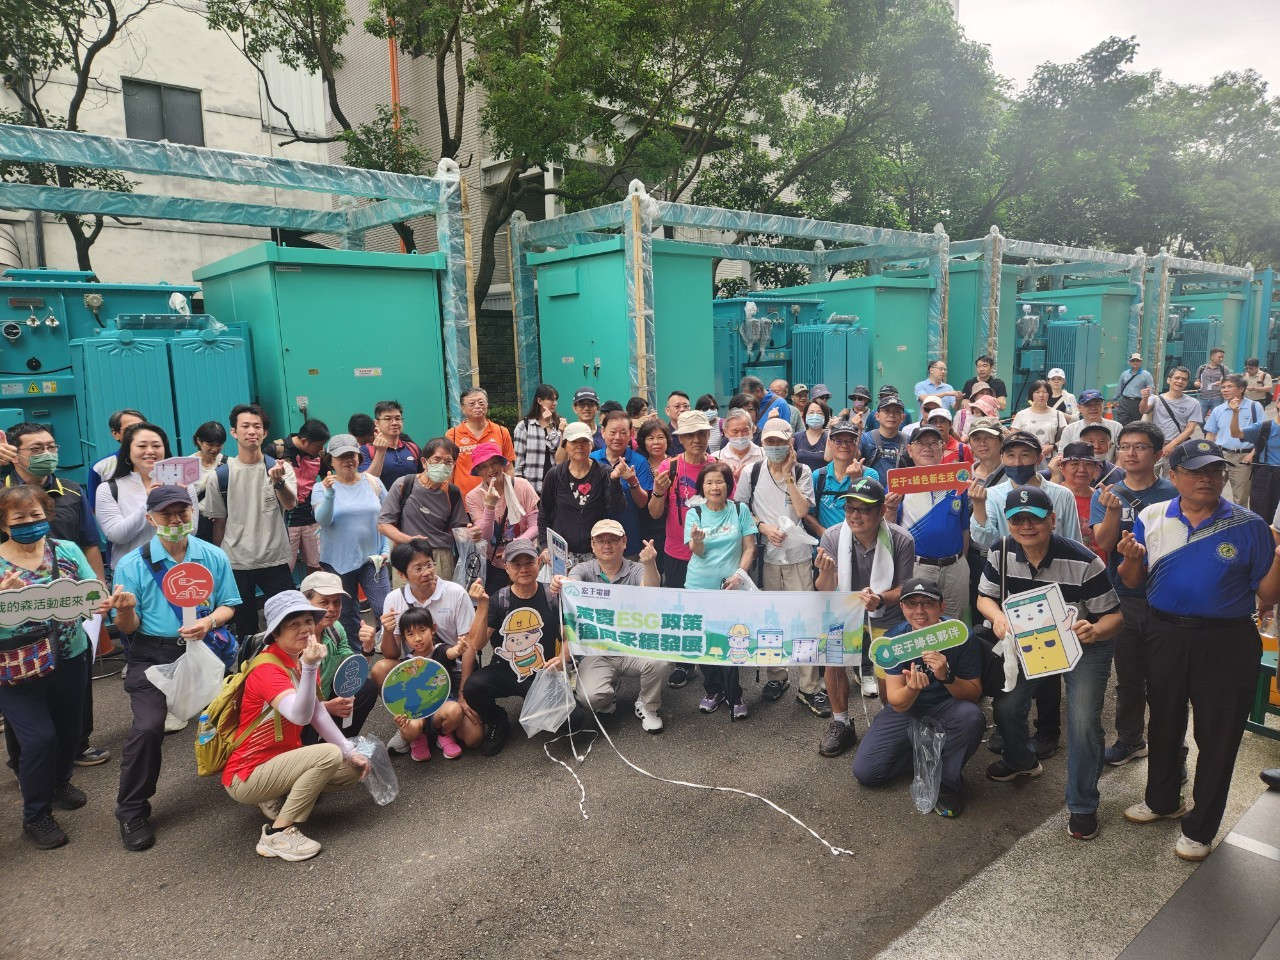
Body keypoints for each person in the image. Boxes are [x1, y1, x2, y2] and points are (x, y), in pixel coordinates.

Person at [1116, 439, 1280, 861]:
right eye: (1195, 471)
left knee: (1218, 734)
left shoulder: (1249, 525)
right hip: (1164, 633)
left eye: (1214, 471)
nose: (1206, 478)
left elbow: (1268, 594)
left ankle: (1201, 827)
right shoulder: (1152, 516)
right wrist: (1130, 559)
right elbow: (1133, 580)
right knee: (1164, 721)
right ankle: (1162, 800)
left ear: (1224, 476)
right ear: (1173, 477)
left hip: (1226, 641)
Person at [979, 485, 1122, 841]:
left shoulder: (1084, 560)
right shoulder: (1000, 550)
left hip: (1084, 645)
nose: (1026, 526)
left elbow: (1115, 617)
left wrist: (1095, 630)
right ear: (1008, 523)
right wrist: (997, 617)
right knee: (1007, 704)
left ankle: (1083, 805)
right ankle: (1021, 761)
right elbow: (984, 597)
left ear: (1053, 520)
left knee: (1083, 721)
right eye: (1018, 520)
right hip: (1029, 640)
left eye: (1035, 519)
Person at [110, 485, 240, 852]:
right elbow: (128, 627)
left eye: (182, 511)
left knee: (237, 709)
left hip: (205, 649)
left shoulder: (212, 555)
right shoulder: (131, 564)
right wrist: (124, 610)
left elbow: (229, 604)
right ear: (150, 519)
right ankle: (132, 811)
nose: (176, 519)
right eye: (166, 513)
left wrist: (209, 622)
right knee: (148, 727)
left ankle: (252, 778)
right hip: (153, 654)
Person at [221, 591, 371, 862]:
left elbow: (317, 712)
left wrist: (350, 751)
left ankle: (282, 793)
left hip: (281, 758)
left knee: (351, 768)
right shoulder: (268, 668)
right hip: (248, 773)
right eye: (294, 624)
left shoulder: (297, 659)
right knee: (328, 755)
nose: (305, 629)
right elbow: (300, 716)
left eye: (308, 621)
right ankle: (279, 834)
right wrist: (311, 666)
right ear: (275, 633)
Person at [0, 485, 110, 849]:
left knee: (68, 730)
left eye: (36, 515)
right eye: (19, 518)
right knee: (38, 738)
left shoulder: (66, 550)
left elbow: (90, 591)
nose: (29, 523)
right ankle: (36, 814)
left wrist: (101, 602)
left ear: (47, 515)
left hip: (69, 655)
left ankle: (60, 781)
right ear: (4, 523)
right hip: (15, 668)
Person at [0, 423, 108, 770]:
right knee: (26, 692)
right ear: (14, 453)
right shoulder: (2, 490)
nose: (46, 454)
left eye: (51, 446)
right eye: (36, 449)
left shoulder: (72, 491)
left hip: (68, 607)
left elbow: (89, 543)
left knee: (75, 681)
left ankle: (77, 746)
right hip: (17, 614)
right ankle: (26, 761)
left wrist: (98, 592)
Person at [850, 577, 985, 817]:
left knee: (971, 717)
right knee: (867, 772)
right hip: (909, 709)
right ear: (902, 607)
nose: (919, 611)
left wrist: (946, 676)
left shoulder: (959, 635)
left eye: (928, 604)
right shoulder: (894, 641)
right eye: (911, 604)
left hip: (949, 706)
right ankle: (926, 752)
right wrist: (912, 689)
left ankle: (946, 783)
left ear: (942, 607)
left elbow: (974, 694)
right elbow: (896, 702)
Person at [1090, 421, 1178, 768]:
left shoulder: (1174, 492)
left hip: (1168, 597)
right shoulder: (1107, 493)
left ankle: (1172, 753)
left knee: (1167, 682)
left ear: (1157, 455)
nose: (1130, 453)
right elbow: (1105, 543)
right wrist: (1113, 510)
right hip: (1125, 595)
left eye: (1140, 447)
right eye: (1125, 446)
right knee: (1128, 678)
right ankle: (1130, 740)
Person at [813, 478, 915, 753]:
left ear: (882, 510)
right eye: (850, 508)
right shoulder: (832, 536)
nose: (855, 516)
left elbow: (903, 590)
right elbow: (825, 589)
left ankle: (891, 723)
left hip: (887, 613)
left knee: (888, 674)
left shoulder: (901, 539)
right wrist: (825, 572)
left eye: (864, 509)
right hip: (843, 610)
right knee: (833, 661)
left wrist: (879, 598)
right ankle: (841, 723)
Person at [733, 420, 822, 714]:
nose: (774, 448)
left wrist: (789, 478)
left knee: (804, 620)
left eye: (779, 443)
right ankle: (776, 676)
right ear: (763, 444)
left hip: (798, 556)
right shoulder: (752, 471)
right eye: (769, 443)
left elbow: (802, 510)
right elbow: (741, 508)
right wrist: (762, 527)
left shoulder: (802, 471)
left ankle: (809, 686)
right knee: (770, 620)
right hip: (767, 557)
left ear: (790, 443)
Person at [374, 537, 488, 756]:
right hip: (415, 672)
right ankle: (409, 723)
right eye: (418, 568)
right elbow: (391, 654)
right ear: (402, 575)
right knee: (380, 669)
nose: (427, 572)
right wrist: (388, 631)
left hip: (452, 669)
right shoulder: (394, 599)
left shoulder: (455, 592)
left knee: (473, 738)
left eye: (429, 564)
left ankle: (438, 729)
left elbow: (469, 646)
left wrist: (463, 694)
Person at [550, 520, 668, 732]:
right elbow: (572, 585)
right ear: (592, 545)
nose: (607, 545)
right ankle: (608, 693)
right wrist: (561, 582)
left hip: (633, 645)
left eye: (613, 540)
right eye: (601, 541)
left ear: (624, 542)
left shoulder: (636, 569)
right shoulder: (582, 569)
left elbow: (651, 589)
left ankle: (648, 705)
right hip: (597, 650)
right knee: (590, 697)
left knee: (661, 660)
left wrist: (650, 563)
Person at [202, 404, 298, 645]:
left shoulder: (280, 468)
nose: (252, 431)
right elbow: (219, 522)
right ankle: (249, 667)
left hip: (274, 559)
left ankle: (286, 665)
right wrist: (219, 562)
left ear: (265, 432)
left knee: (288, 620)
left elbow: (290, 504)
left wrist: (278, 483)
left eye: (257, 426)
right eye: (245, 426)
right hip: (236, 562)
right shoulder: (220, 476)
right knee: (245, 629)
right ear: (234, 432)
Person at [461, 538, 567, 756]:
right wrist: (482, 606)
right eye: (516, 564)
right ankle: (497, 720)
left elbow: (570, 636)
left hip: (544, 672)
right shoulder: (499, 600)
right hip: (506, 671)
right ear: (506, 568)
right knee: (474, 686)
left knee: (573, 721)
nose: (524, 569)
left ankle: (537, 703)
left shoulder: (553, 596)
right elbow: (477, 643)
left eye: (529, 563)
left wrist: (562, 658)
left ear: (539, 563)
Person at [686, 462, 757, 720]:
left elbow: (749, 546)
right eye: (709, 483)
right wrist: (697, 540)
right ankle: (713, 690)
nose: (714, 487)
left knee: (732, 639)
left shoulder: (739, 509)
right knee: (705, 640)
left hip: (731, 587)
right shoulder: (694, 513)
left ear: (728, 485)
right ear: (702, 487)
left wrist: (740, 574)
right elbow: (697, 551)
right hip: (699, 586)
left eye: (719, 482)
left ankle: (734, 694)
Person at [312, 433, 389, 649]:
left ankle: (390, 652)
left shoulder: (373, 482)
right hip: (336, 561)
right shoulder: (321, 488)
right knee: (346, 614)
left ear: (359, 457)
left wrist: (387, 549)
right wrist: (329, 494)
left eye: (352, 455)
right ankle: (354, 657)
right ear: (331, 461)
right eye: (341, 456)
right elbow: (323, 520)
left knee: (384, 609)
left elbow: (387, 518)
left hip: (373, 559)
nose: (348, 460)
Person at [889, 423, 970, 625]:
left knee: (953, 624)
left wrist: (962, 563)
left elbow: (964, 528)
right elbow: (889, 531)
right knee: (919, 623)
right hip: (918, 568)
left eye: (934, 443)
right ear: (910, 450)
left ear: (942, 449)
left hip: (955, 568)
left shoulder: (957, 481)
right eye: (921, 443)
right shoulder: (899, 483)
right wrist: (890, 508)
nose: (928, 448)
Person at [386, 606, 481, 761]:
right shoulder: (407, 664)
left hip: (440, 706)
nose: (417, 638)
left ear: (433, 629)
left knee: (455, 710)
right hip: (417, 710)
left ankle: (443, 735)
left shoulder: (440, 650)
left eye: (422, 631)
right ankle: (418, 738)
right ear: (404, 638)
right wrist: (402, 721)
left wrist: (458, 649)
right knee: (408, 728)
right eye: (410, 634)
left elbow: (450, 653)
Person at [298, 571, 379, 742]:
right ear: (305, 602)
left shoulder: (335, 629)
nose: (332, 609)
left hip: (322, 699)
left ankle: (341, 745)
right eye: (324, 602)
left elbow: (351, 671)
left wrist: (367, 648)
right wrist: (325, 708)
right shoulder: (294, 639)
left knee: (366, 688)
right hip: (296, 712)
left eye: (337, 602)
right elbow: (287, 700)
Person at [649, 411, 718, 608]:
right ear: (680, 438)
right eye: (689, 435)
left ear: (708, 435)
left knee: (711, 608)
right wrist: (658, 491)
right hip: (677, 553)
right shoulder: (669, 467)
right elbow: (655, 513)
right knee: (678, 608)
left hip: (712, 554)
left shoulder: (718, 467)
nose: (696, 439)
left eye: (701, 433)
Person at [377, 437, 469, 580]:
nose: (442, 465)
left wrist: (470, 533)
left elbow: (459, 529)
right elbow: (383, 524)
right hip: (407, 554)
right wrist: (409, 540)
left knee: (441, 594)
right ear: (424, 462)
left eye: (448, 461)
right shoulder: (403, 484)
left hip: (440, 558)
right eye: (437, 459)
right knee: (406, 594)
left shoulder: (452, 493)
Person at [96, 422, 183, 570]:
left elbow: (191, 530)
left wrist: (180, 500)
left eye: (156, 446)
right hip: (130, 571)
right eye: (142, 446)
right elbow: (117, 536)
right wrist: (149, 503)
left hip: (177, 567)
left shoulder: (181, 483)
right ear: (128, 451)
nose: (150, 451)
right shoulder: (108, 489)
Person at [539, 422, 626, 569]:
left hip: (596, 553)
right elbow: (544, 514)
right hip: (561, 553)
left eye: (584, 441)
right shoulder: (555, 474)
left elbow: (617, 509)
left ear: (591, 445)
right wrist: (544, 546)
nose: (579, 446)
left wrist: (615, 480)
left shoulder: (604, 472)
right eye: (574, 442)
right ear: (565, 445)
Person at [465, 441, 539, 594]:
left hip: (525, 558)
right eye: (484, 466)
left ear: (502, 464)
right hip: (494, 562)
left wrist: (514, 547)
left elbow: (535, 525)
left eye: (494, 463)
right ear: (478, 471)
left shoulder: (522, 485)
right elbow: (484, 536)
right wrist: (489, 507)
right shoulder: (473, 497)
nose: (491, 470)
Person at [804, 416, 879, 541]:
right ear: (829, 443)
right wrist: (826, 534)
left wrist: (857, 480)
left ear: (856, 444)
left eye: (850, 441)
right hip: (827, 547)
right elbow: (807, 514)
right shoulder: (819, 476)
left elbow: (871, 513)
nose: (844, 445)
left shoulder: (869, 475)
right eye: (838, 441)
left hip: (859, 545)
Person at [270, 419, 329, 577]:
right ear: (304, 441)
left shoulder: (319, 454)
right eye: (318, 445)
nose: (321, 449)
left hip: (311, 517)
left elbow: (326, 477)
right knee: (285, 567)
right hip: (285, 518)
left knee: (318, 564)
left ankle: (315, 592)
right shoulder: (276, 450)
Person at [593, 410, 653, 558]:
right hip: (596, 540)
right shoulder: (592, 460)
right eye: (613, 432)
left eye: (623, 432)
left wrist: (632, 480)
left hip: (628, 540)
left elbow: (642, 503)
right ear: (603, 432)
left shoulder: (639, 462)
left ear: (631, 434)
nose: (617, 437)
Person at [445, 387, 516, 497]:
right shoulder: (452, 435)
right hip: (464, 500)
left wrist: (509, 494)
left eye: (481, 402)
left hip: (496, 498)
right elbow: (449, 472)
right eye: (472, 403)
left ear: (487, 405)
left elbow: (509, 468)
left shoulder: (502, 432)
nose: (477, 406)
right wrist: (448, 498)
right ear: (462, 408)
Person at [1203, 375, 1260, 508]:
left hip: (1242, 457)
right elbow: (1210, 434)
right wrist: (1207, 454)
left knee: (1240, 497)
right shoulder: (1218, 410)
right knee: (1210, 491)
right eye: (1223, 387)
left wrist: (1252, 454)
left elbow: (1263, 434)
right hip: (1219, 455)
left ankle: (1239, 519)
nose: (1225, 390)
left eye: (1229, 386)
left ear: (1241, 389)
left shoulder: (1254, 407)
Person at [1227, 394, 1280, 523]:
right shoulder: (1265, 427)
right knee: (1262, 515)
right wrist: (1235, 413)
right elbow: (1236, 433)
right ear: (1278, 403)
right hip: (1266, 476)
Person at [86, 408, 145, 515]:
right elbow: (96, 508)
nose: (138, 432)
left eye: (143, 426)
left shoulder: (161, 462)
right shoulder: (100, 467)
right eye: (131, 428)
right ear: (115, 434)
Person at [1140, 366, 1202, 463]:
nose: (1180, 381)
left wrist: (1173, 444)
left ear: (1187, 383)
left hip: (1177, 448)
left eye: (1184, 379)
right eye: (1177, 378)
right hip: (1155, 446)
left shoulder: (1193, 403)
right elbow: (1143, 410)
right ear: (1169, 380)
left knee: (1172, 473)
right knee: (1149, 472)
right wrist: (1144, 399)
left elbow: (1190, 429)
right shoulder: (1155, 399)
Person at [513, 384, 567, 494]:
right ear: (539, 401)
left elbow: (556, 449)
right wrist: (518, 488)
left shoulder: (559, 423)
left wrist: (549, 426)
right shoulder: (524, 426)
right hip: (531, 487)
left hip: (555, 486)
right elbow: (518, 461)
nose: (555, 403)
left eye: (556, 399)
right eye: (551, 399)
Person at [1054, 443, 1104, 557]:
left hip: (1098, 563)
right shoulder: (1056, 496)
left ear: (1095, 469)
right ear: (1062, 467)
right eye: (1075, 464)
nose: (1082, 470)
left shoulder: (1102, 499)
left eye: (1088, 464)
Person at [637, 420, 672, 578]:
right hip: (645, 529)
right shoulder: (639, 465)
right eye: (650, 438)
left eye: (660, 437)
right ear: (643, 442)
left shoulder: (676, 463)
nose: (656, 442)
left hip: (671, 529)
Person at [360, 400, 422, 487]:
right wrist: (380, 452)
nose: (394, 423)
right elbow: (368, 483)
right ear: (376, 423)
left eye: (398, 418)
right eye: (388, 419)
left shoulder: (413, 448)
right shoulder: (366, 451)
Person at [1011, 380, 1068, 463]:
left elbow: (1068, 436)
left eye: (1044, 392)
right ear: (1032, 395)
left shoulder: (1058, 414)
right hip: (1026, 459)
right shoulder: (1022, 414)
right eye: (1037, 392)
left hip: (1050, 459)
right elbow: (1013, 437)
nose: (1041, 395)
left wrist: (1053, 446)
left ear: (1049, 394)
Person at [191, 420, 227, 542]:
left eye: (219, 445)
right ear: (199, 441)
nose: (214, 449)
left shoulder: (229, 464)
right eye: (210, 444)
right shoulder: (187, 465)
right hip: (196, 523)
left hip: (221, 523)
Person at [860, 393, 909, 476]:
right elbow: (851, 460)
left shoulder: (909, 441)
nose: (891, 415)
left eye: (897, 411)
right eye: (886, 411)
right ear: (877, 416)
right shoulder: (865, 439)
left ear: (903, 417)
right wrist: (858, 431)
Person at [718, 408, 764, 480]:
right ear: (725, 432)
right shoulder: (717, 458)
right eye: (735, 431)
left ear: (752, 429)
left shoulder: (764, 455)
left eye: (744, 430)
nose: (740, 435)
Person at [1113, 354, 1155, 426]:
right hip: (1125, 401)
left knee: (1136, 424)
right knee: (1122, 421)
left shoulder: (1146, 375)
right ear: (1130, 362)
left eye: (1137, 361)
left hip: (1138, 402)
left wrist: (1147, 401)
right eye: (1133, 360)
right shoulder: (1124, 374)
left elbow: (1151, 389)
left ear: (1141, 362)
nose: (1135, 362)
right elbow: (1119, 386)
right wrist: (1115, 398)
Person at [795, 399, 831, 472]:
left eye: (819, 413)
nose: (815, 416)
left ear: (825, 417)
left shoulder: (829, 438)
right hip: (800, 478)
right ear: (805, 416)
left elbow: (828, 458)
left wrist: (831, 429)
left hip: (821, 478)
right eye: (811, 412)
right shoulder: (796, 437)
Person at [1193, 347, 1229, 420]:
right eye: (1219, 357)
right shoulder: (1202, 368)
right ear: (1212, 357)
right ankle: (1205, 428)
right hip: (1203, 397)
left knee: (1216, 419)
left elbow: (1229, 383)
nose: (1221, 359)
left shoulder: (1224, 369)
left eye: (1222, 357)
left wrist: (1222, 383)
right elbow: (1197, 380)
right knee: (1198, 419)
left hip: (1217, 398)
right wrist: (1196, 383)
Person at [663, 391, 692, 456]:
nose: (682, 409)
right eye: (677, 406)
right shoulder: (663, 434)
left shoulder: (697, 432)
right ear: (667, 411)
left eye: (686, 406)